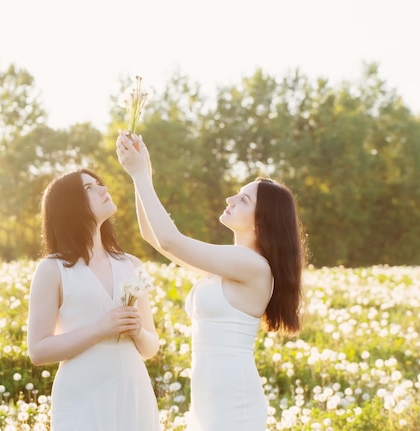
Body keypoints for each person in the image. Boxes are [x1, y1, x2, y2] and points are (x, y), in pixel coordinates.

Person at [116, 131, 307, 431]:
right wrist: (142, 175)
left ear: (262, 220)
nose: (230, 199)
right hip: (209, 397)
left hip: (233, 399)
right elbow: (152, 236)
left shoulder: (252, 265)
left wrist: (141, 175)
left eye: (243, 199)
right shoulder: (228, 264)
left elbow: (169, 241)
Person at [27, 168, 161, 431]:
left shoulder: (131, 264)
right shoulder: (52, 269)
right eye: (89, 188)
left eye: (99, 183)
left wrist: (137, 330)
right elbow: (38, 350)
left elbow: (150, 348)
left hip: (132, 390)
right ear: (69, 206)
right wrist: (101, 328)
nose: (103, 189)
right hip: (82, 394)